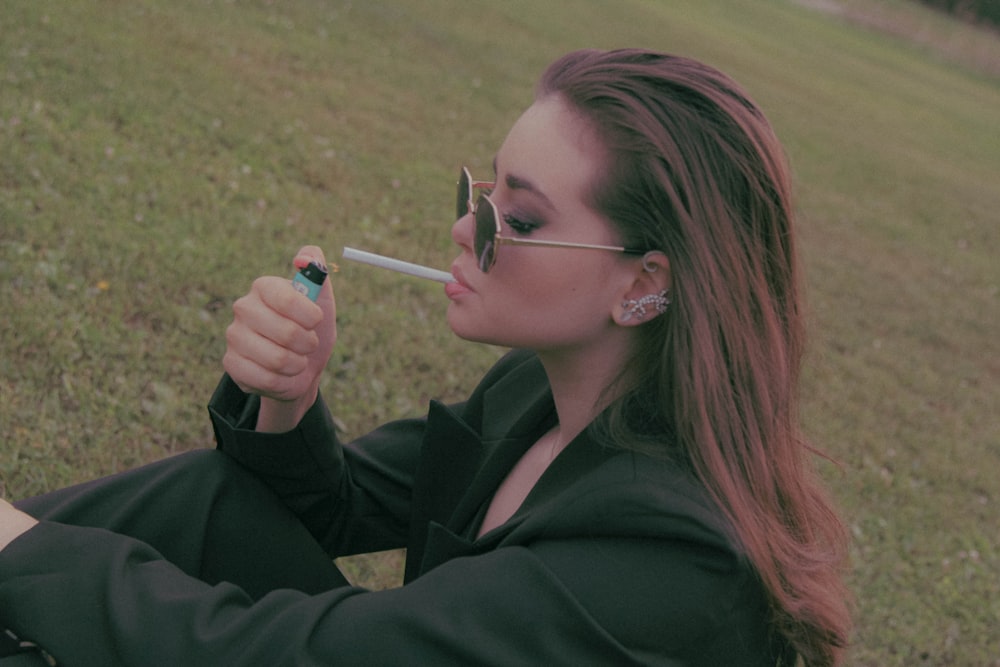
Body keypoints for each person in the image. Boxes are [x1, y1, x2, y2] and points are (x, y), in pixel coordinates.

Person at [0, 48, 851, 665]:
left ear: (643, 284)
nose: (460, 230)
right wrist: (291, 398)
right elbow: (337, 505)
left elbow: (301, 652)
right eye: (479, 193)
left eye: (515, 221)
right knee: (209, 498)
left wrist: (24, 552)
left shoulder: (663, 551)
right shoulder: (540, 390)